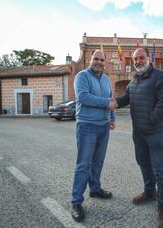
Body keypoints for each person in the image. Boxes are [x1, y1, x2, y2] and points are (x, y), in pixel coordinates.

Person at [116, 48, 163, 228]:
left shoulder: (159, 77)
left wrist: (151, 120)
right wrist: (112, 103)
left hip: (155, 131)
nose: (138, 61)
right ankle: (150, 191)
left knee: (160, 168)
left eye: (141, 58)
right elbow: (127, 98)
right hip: (138, 132)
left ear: (148, 58)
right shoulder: (134, 80)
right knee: (143, 161)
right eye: (135, 59)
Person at [71, 49, 117, 222]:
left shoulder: (106, 79)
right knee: (83, 165)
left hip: (103, 127)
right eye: (95, 59)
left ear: (104, 61)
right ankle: (76, 201)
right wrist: (107, 104)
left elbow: (111, 99)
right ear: (90, 59)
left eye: (101, 59)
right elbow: (83, 97)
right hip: (87, 126)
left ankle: (95, 189)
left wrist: (112, 117)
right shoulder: (82, 76)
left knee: (98, 161)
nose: (98, 62)